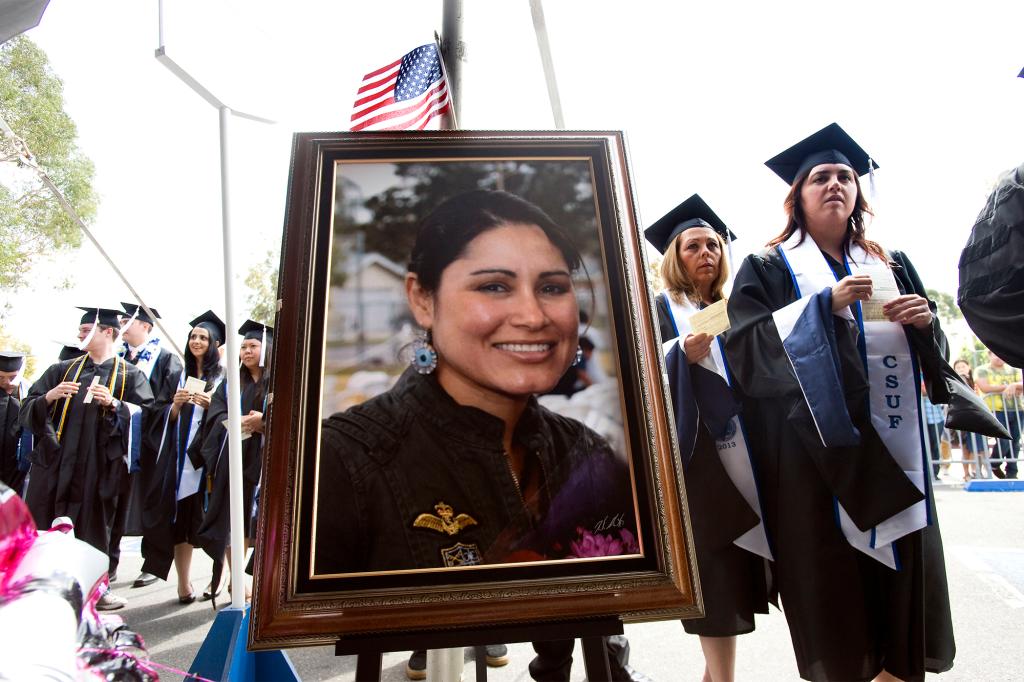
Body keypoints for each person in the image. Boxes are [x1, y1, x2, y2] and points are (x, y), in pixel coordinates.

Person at [312, 190, 641, 682]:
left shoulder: (588, 453)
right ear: (422, 299)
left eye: (552, 287)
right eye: (493, 286)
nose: (533, 316)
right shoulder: (342, 462)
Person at [724, 123, 973, 681]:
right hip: (816, 466)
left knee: (901, 593)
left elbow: (931, 361)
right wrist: (818, 309)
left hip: (894, 451)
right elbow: (743, 352)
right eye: (820, 177)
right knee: (835, 597)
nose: (835, 183)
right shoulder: (767, 269)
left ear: (859, 191)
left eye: (845, 176)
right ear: (798, 195)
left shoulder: (891, 262)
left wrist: (927, 327)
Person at [647, 194, 772, 682]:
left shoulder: (738, 306)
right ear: (674, 257)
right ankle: (722, 678)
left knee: (739, 569)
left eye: (714, 245)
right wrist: (679, 350)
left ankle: (715, 676)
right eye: (693, 246)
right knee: (716, 570)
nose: (706, 253)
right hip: (697, 459)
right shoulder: (659, 306)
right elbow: (636, 367)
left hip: (750, 449)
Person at [19, 307, 154, 611]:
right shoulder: (62, 369)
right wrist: (49, 397)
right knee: (46, 520)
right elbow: (27, 407)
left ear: (108, 332)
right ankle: (41, 588)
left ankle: (97, 590)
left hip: (100, 465)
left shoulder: (130, 374)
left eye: (86, 330)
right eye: (80, 330)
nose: (80, 334)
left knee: (96, 525)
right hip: (57, 460)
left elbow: (147, 417)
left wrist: (117, 404)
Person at [139, 310, 225, 604]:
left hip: (208, 463)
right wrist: (173, 408)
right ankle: (183, 584)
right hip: (178, 464)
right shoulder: (177, 376)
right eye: (193, 336)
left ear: (215, 344)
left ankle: (220, 578)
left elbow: (231, 418)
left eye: (203, 337)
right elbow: (157, 414)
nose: (196, 341)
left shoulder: (225, 378)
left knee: (215, 523)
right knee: (179, 524)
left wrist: (212, 404)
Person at [196, 319, 272, 602]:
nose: (246, 351)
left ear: (267, 349)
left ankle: (262, 580)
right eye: (243, 347)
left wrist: (263, 422)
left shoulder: (278, 381)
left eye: (253, 345)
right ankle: (237, 579)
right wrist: (233, 421)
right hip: (235, 459)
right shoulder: (230, 384)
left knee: (262, 520)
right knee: (233, 518)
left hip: (267, 461)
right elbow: (215, 414)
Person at [115, 302, 184, 588]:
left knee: (154, 503)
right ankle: (108, 564)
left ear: (146, 326)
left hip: (152, 439)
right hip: (117, 439)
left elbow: (170, 401)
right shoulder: (115, 358)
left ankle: (153, 565)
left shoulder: (166, 359)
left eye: (127, 322)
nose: (122, 327)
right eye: (120, 323)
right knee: (113, 500)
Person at [974, 352, 1023, 479]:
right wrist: (1008, 387)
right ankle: (994, 463)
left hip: (1016, 409)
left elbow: (1021, 385)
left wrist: (1014, 385)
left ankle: (1012, 472)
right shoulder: (982, 370)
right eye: (995, 354)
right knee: (1003, 440)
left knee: (1015, 442)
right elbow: (985, 388)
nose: (999, 357)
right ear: (989, 355)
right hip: (996, 409)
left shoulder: (1014, 369)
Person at [952, 359, 988, 478]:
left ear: (969, 368)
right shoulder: (956, 380)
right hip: (962, 417)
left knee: (977, 446)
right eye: (958, 367)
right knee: (966, 447)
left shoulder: (974, 381)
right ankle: (967, 473)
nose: (961, 369)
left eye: (963, 366)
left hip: (976, 416)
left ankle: (976, 471)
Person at [0, 351, 29, 494]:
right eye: (0, 377)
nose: (7, 382)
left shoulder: (26, 397)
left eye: (13, 377)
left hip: (12, 473)